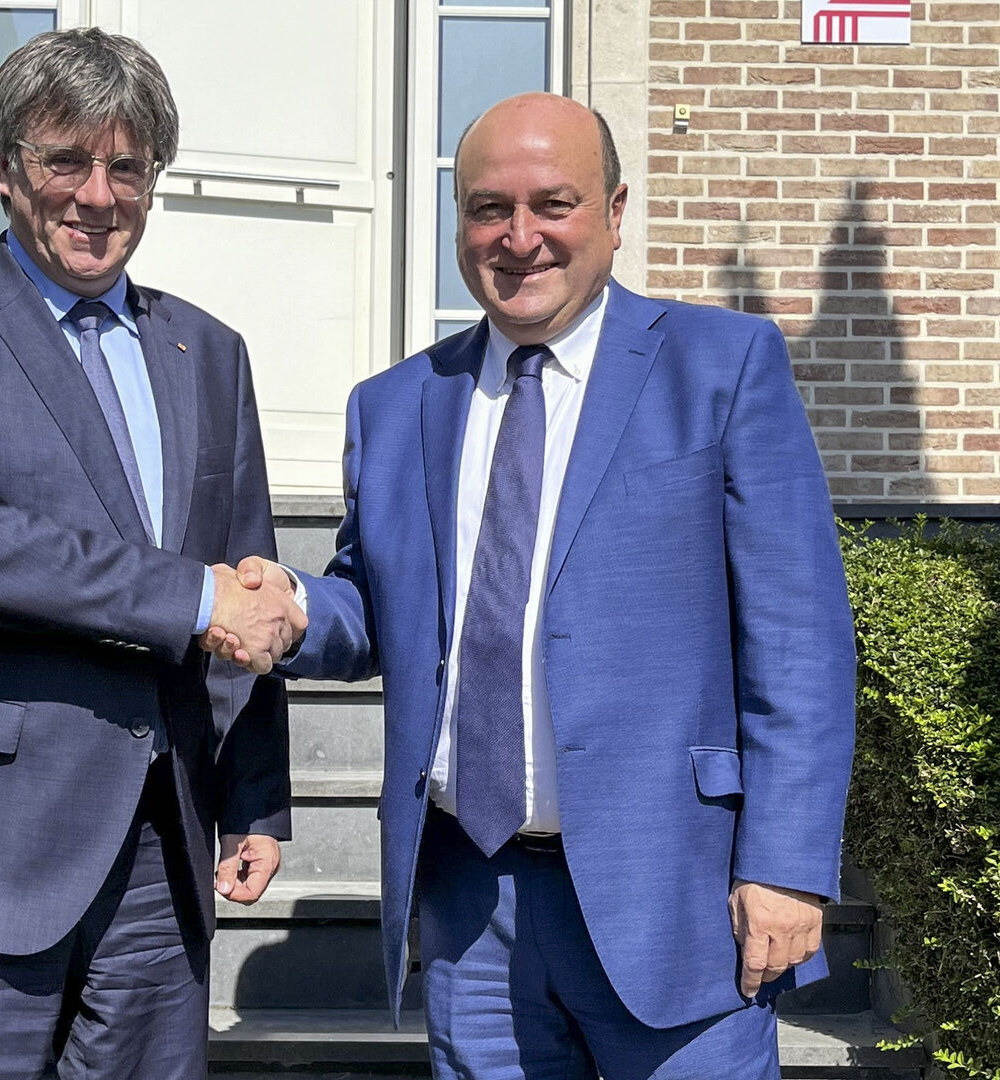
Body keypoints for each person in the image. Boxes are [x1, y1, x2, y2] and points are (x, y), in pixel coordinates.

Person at [205, 93, 856, 1079]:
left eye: (554, 203)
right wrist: (289, 608)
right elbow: (376, 606)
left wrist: (787, 865)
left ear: (615, 212)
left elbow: (797, 639)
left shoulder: (722, 368)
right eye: (488, 209)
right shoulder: (396, 405)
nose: (519, 238)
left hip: (676, 898)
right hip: (473, 905)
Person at [0, 27, 305, 1080]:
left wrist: (254, 796)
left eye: (127, 167)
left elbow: (247, 573)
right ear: (7, 169)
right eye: (66, 161)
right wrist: (192, 599)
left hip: (160, 856)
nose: (98, 196)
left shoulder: (208, 350)